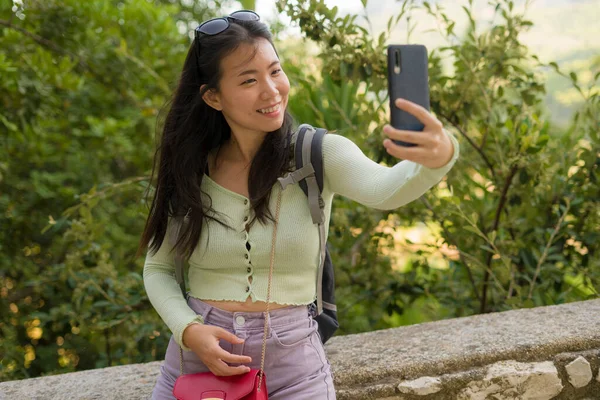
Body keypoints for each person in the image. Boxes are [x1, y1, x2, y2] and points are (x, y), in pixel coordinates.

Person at [138, 9, 459, 400]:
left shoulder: (316, 154)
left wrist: (439, 157)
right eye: (249, 80)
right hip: (195, 366)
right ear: (212, 96)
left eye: (275, 71)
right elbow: (158, 268)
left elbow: (387, 189)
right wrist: (189, 329)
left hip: (295, 369)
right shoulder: (191, 167)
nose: (271, 90)